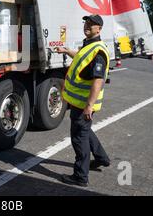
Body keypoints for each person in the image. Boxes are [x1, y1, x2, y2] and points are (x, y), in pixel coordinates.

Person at [55, 15, 111, 187]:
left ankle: (80, 176)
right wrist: (66, 51)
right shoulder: (89, 46)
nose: (87, 25)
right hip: (79, 103)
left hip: (84, 105)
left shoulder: (98, 51)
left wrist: (89, 106)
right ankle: (102, 158)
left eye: (91, 24)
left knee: (79, 138)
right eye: (86, 22)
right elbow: (80, 58)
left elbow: (98, 81)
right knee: (85, 132)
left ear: (99, 29)